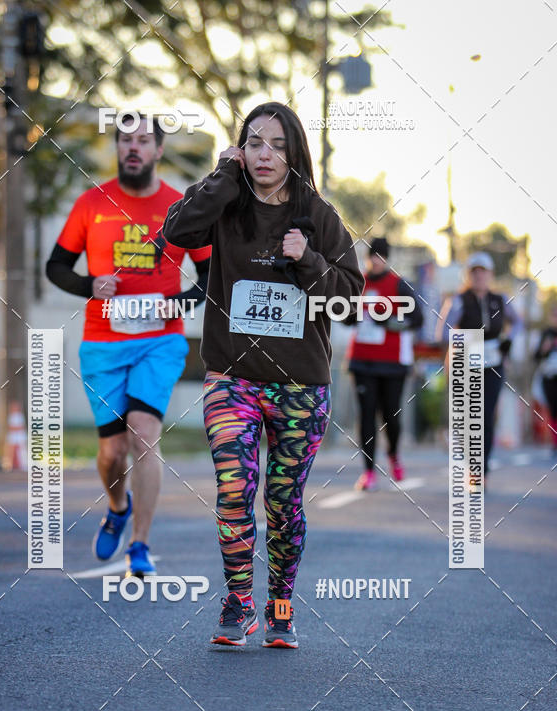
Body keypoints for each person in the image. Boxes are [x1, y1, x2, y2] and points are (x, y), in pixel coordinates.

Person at [163, 101, 364, 649]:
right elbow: (176, 233)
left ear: (294, 152)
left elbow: (349, 297)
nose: (265, 154)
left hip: (301, 385)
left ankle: (279, 599)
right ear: (240, 149)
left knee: (283, 500)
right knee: (234, 488)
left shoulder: (318, 216)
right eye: (254, 143)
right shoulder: (226, 202)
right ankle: (238, 600)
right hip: (232, 377)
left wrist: (309, 262)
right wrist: (222, 174)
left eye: (277, 145)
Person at [46, 113, 211, 576]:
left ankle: (140, 544)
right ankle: (117, 507)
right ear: (117, 148)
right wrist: (89, 285)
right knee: (111, 452)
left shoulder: (181, 208)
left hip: (159, 342)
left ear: (158, 150)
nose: (133, 147)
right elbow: (55, 267)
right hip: (102, 343)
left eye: (143, 140)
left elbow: (211, 277)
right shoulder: (91, 204)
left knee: (142, 434)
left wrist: (174, 305)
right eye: (125, 140)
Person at [346, 237, 423, 490]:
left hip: (392, 363)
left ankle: (393, 455)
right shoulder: (359, 282)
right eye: (373, 255)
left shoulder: (399, 285)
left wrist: (388, 320)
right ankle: (368, 471)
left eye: (381, 256)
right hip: (362, 360)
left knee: (391, 416)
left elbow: (417, 319)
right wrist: (352, 313)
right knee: (366, 415)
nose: (376, 260)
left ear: (387, 258)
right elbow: (344, 317)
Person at [439, 252, 520, 483]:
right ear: (468, 275)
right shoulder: (458, 300)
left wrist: (509, 339)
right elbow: (442, 331)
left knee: (486, 415)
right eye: (474, 272)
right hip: (466, 362)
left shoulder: (500, 299)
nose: (479, 276)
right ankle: (471, 464)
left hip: (493, 364)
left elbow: (518, 322)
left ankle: (480, 470)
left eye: (483, 272)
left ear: (490, 274)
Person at [534, 304, 557, 456]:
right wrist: (545, 348)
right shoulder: (547, 334)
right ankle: (555, 443)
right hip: (550, 377)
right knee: (553, 410)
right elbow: (536, 356)